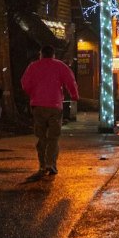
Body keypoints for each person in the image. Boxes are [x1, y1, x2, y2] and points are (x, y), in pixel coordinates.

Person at [21, 45, 79, 178]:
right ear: (53, 54)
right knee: (53, 136)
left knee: (41, 137)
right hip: (55, 105)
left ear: (41, 54)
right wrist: (74, 95)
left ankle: (42, 165)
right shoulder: (60, 66)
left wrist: (33, 93)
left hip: (38, 105)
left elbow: (25, 84)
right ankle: (50, 163)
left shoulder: (33, 66)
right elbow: (70, 81)